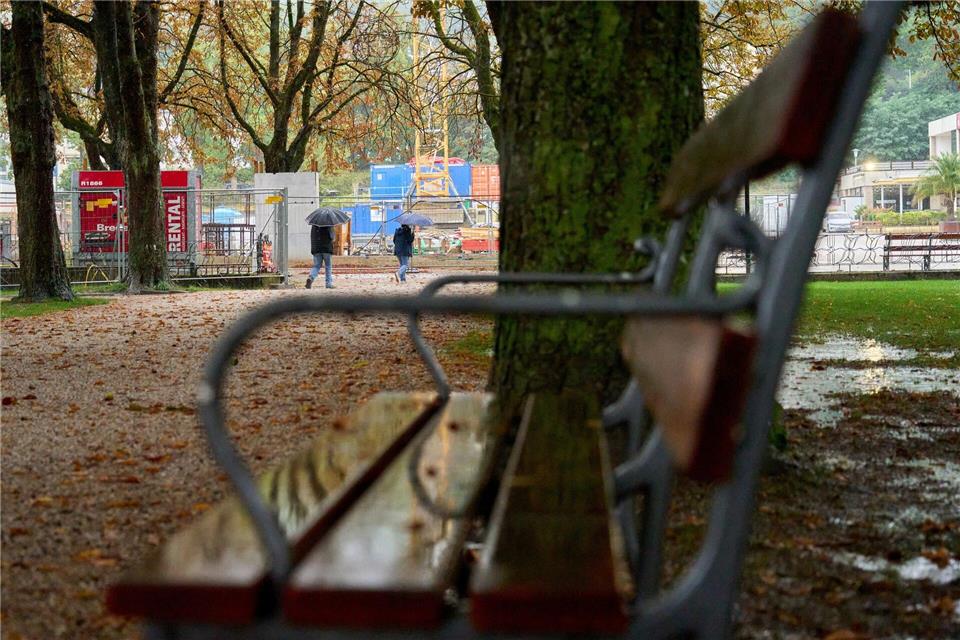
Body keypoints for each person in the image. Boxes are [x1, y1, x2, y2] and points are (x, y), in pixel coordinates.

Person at [307, 224, 335, 289]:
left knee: (316, 266)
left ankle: (311, 278)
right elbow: (332, 237)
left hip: (316, 249)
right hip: (326, 249)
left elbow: (312, 237)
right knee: (328, 266)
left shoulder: (314, 225)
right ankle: (329, 284)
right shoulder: (329, 225)